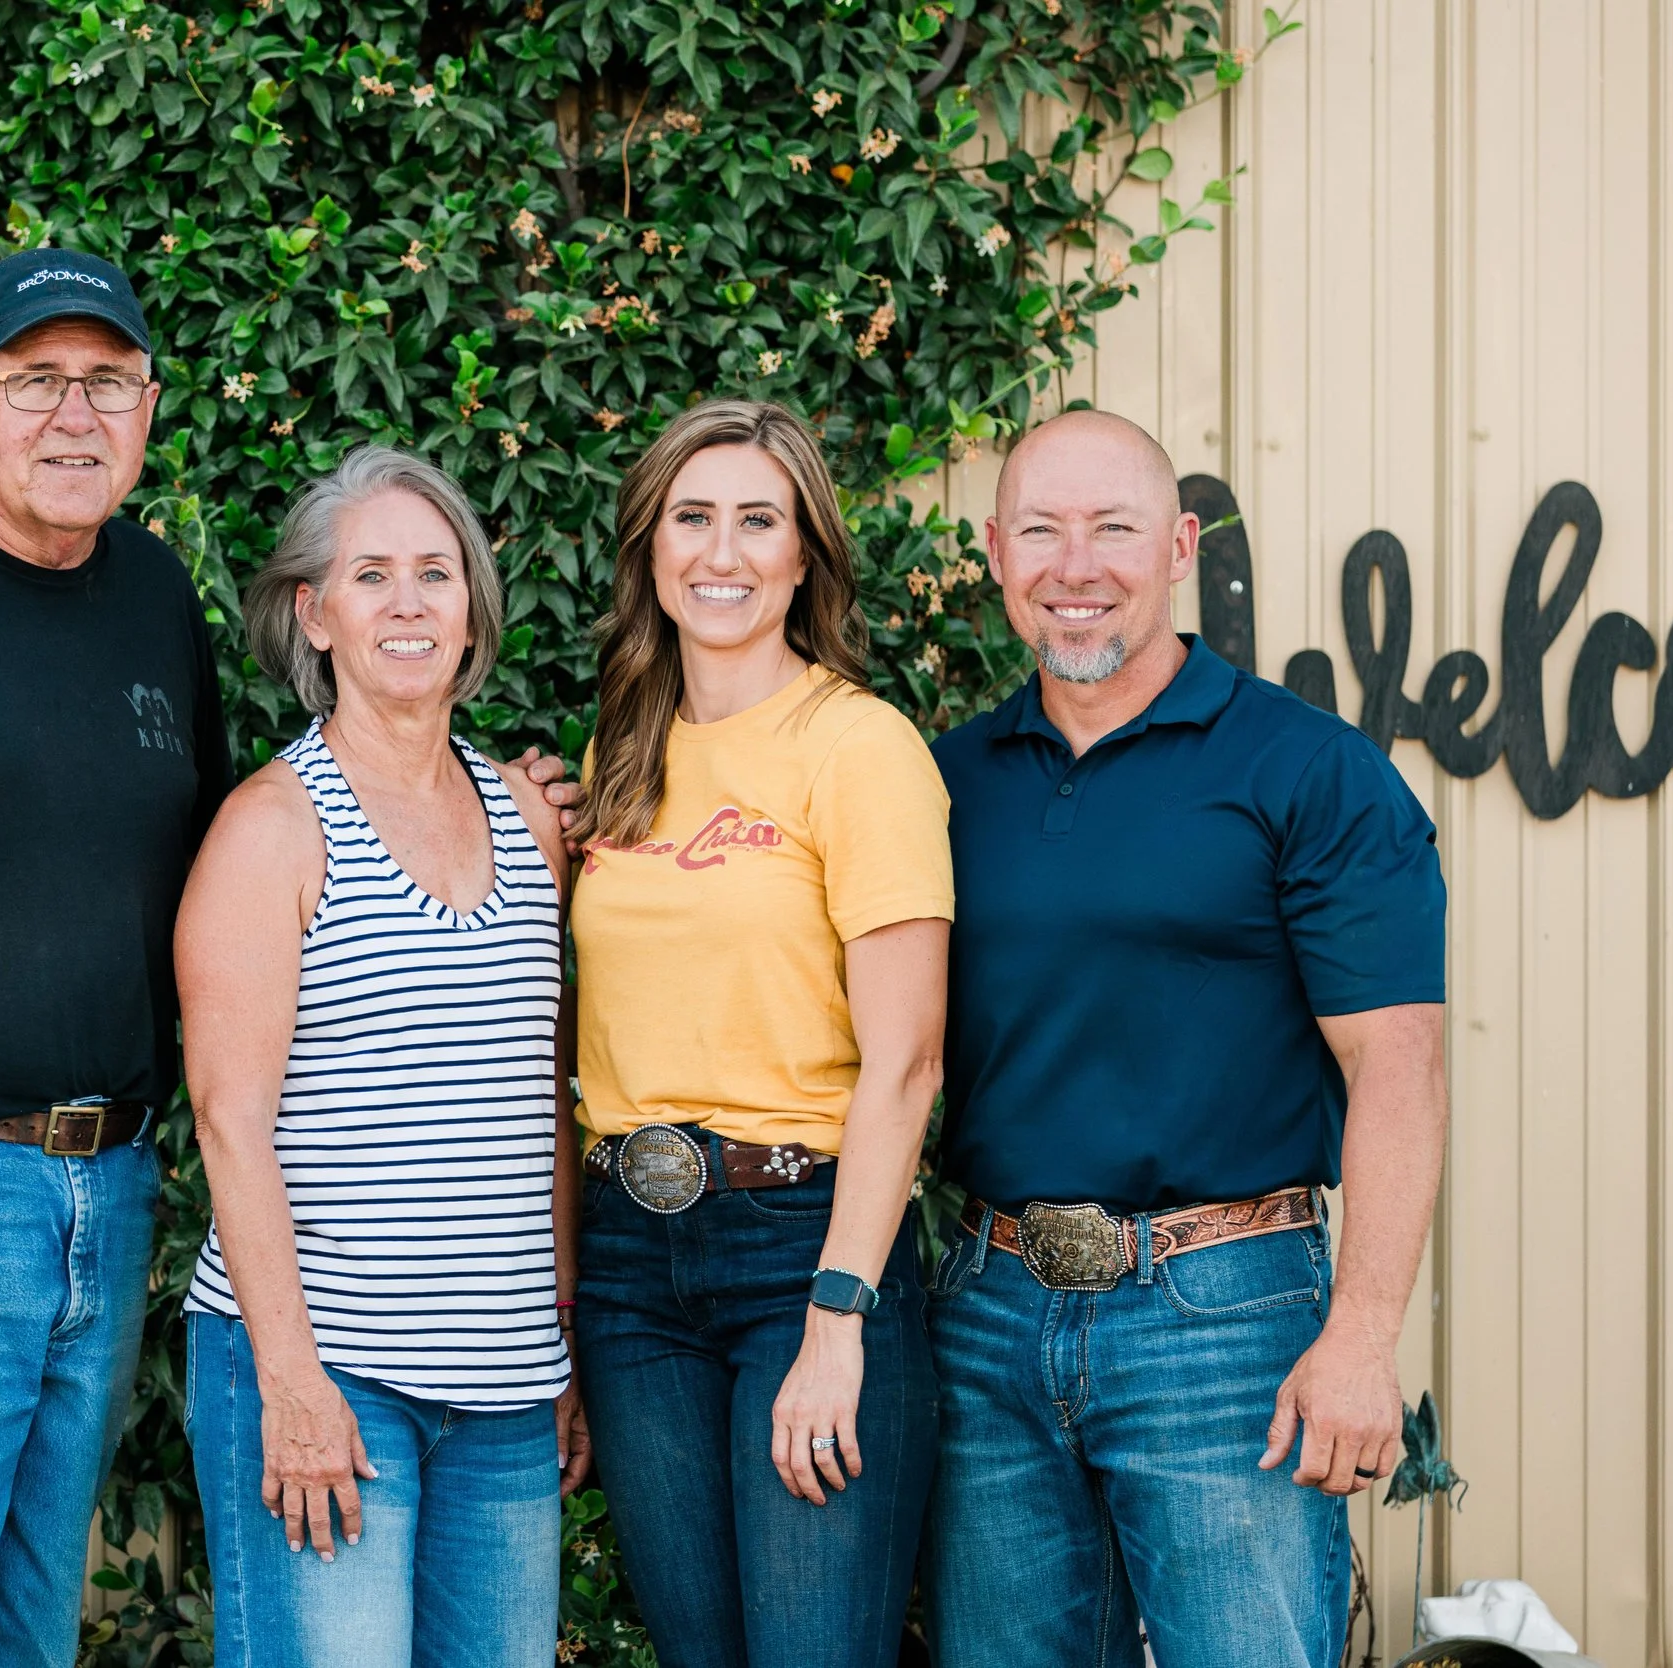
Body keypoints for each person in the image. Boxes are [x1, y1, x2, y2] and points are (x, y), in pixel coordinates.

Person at [0, 251, 580, 1667]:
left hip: (103, 1191)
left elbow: (226, 882)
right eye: (36, 380)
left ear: (149, 410)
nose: (74, 414)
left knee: (31, 1634)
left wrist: (495, 812)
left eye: (107, 382)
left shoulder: (151, 595)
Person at [922, 410, 1449, 1668]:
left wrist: (1361, 1337)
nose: (1075, 566)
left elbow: (1398, 1066)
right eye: (1040, 531)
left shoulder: (1308, 771)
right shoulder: (941, 783)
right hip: (989, 1316)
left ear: (1178, 547)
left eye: (1113, 528)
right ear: (994, 552)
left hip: (1225, 1322)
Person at [177, 446, 590, 1668]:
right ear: (316, 614)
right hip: (329, 1371)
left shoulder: (529, 816)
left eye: (434, 573)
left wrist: (556, 1334)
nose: (408, 604)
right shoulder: (272, 828)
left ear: (472, 607)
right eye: (371, 576)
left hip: (505, 1391)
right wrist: (291, 1383)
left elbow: (541, 1099)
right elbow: (229, 1124)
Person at [566, 399, 953, 1668]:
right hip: (632, 1267)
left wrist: (837, 1317)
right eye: (691, 518)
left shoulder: (858, 747)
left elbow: (907, 1063)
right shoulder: (620, 752)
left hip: (802, 1248)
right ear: (650, 550)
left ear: (803, 557)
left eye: (756, 521)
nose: (720, 552)